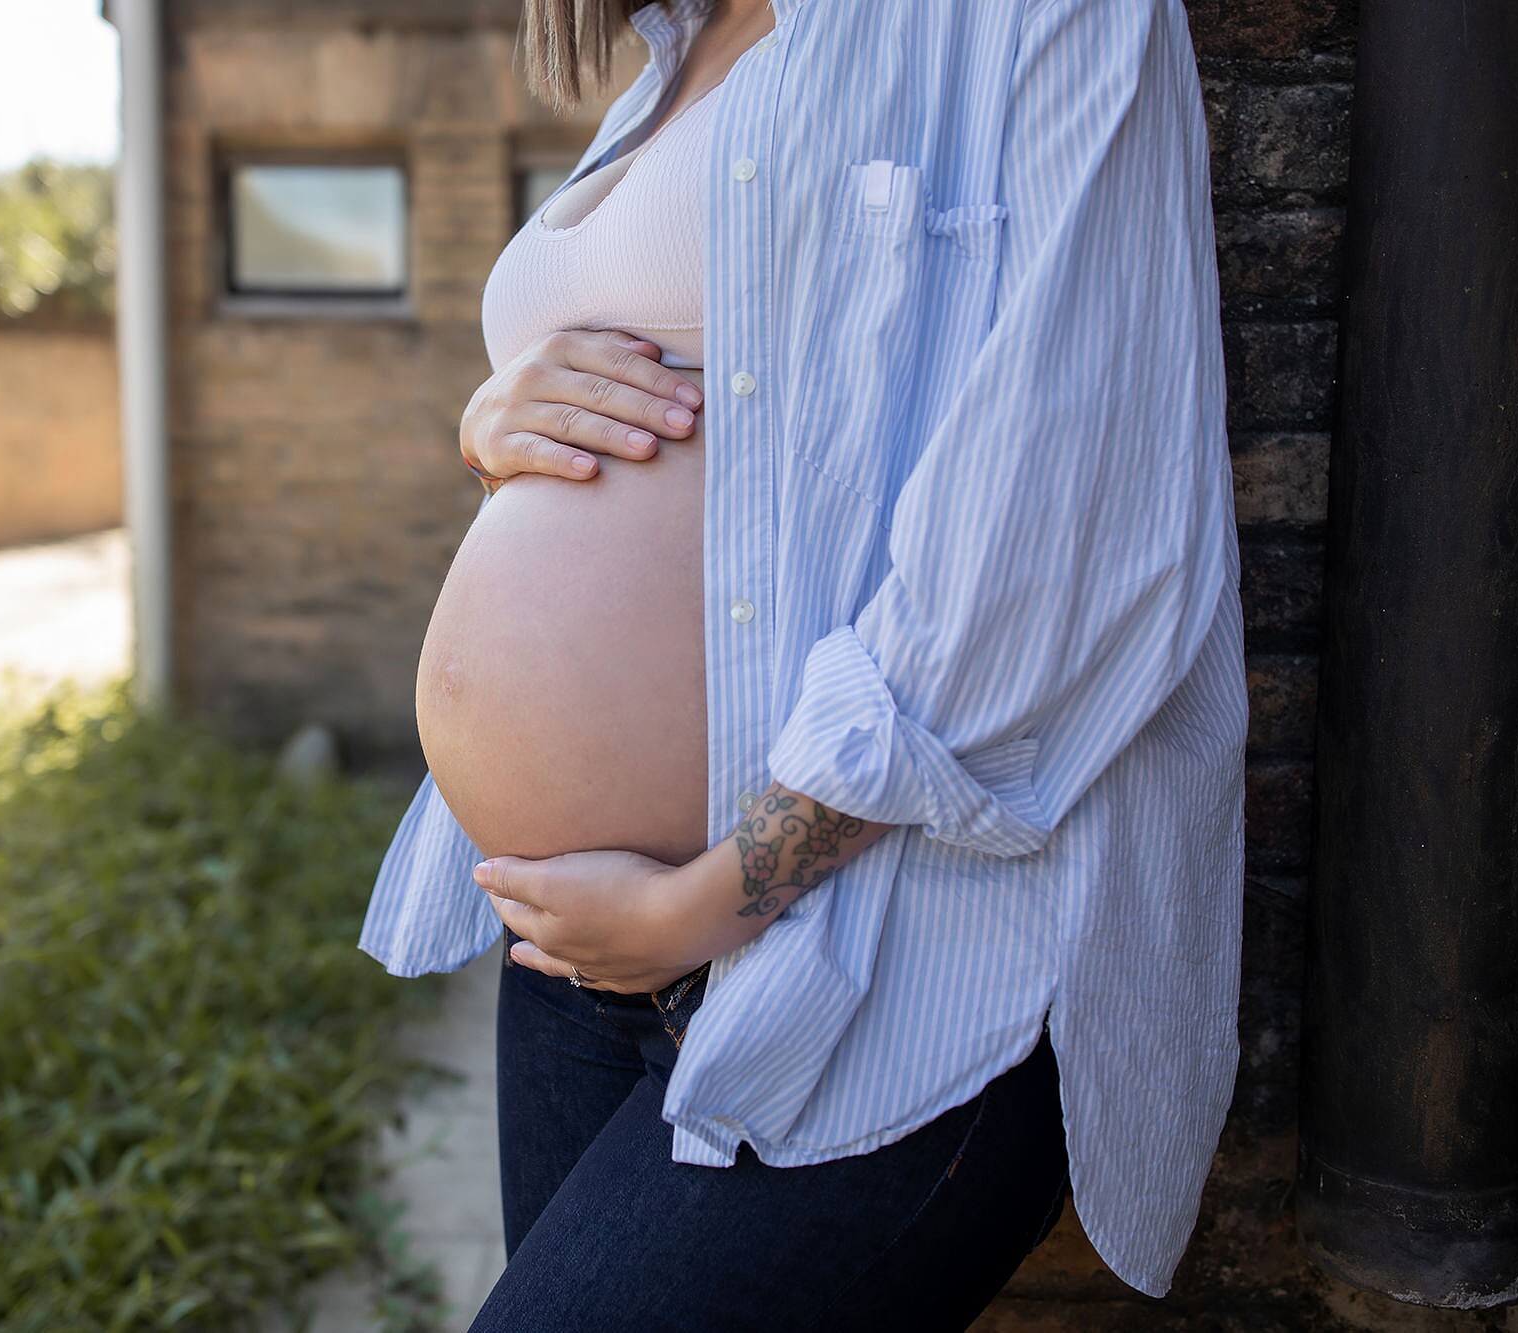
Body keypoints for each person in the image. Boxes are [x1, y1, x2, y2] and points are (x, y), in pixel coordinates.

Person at [360, 0, 1247, 1325]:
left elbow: (1075, 523)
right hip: (573, 956)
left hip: (884, 948)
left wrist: (721, 891)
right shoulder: (674, 58)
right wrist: (492, 418)